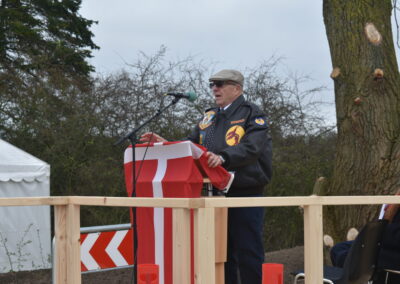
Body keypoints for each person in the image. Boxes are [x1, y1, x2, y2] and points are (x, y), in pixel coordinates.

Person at [140, 69, 272, 284]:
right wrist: (164, 142)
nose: (214, 89)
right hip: (213, 194)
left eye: (220, 84)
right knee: (220, 254)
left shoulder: (252, 114)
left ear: (237, 88)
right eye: (212, 84)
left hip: (245, 194)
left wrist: (223, 157)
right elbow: (191, 145)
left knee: (248, 251)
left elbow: (252, 148)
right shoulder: (209, 116)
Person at [330, 202, 400, 283]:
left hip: (394, 251)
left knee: (347, 256)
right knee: (339, 249)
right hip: (385, 242)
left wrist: (378, 231)